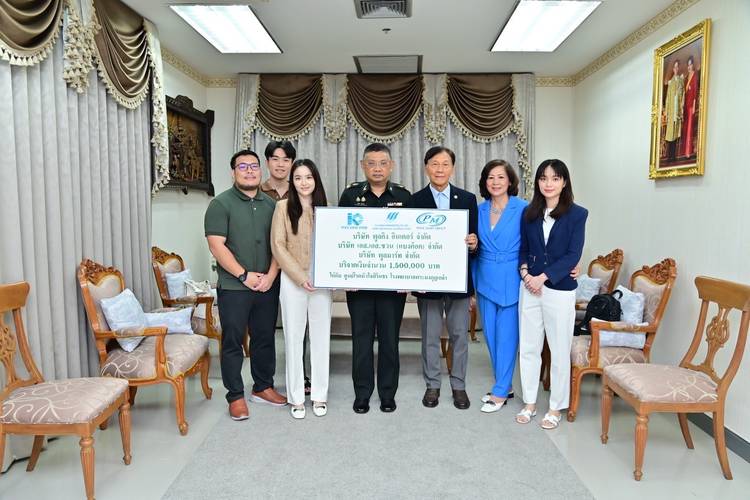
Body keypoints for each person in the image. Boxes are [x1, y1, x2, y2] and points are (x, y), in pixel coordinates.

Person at [205, 149, 287, 421]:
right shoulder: (220, 204)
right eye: (243, 166)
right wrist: (243, 275)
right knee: (233, 341)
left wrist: (271, 276)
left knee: (265, 337)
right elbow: (217, 246)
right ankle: (235, 396)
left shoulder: (272, 206)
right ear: (233, 172)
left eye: (254, 166)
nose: (249, 171)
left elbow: (279, 245)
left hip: (266, 284)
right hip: (234, 286)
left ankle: (263, 387)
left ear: (261, 171)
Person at [338, 143, 411, 414]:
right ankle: (362, 393)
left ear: (391, 166)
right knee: (362, 340)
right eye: (371, 163)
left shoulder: (404, 196)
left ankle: (388, 394)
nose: (377, 168)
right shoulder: (350, 195)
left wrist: (408, 277)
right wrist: (345, 274)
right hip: (359, 285)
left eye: (383, 163)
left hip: (393, 286)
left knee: (390, 341)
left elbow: (412, 239)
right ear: (362, 166)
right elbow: (340, 235)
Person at [516, 159, 587, 430]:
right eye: (543, 178)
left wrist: (542, 278)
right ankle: (530, 402)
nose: (549, 183)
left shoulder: (577, 214)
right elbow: (523, 250)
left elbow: (573, 255)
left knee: (559, 349)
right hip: (529, 288)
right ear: (537, 182)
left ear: (564, 182)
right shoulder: (529, 213)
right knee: (529, 347)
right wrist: (526, 275)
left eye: (555, 178)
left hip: (559, 289)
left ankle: (555, 407)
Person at [410, 146, 478, 410]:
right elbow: (410, 241)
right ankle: (433, 385)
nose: (440, 169)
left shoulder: (467, 199)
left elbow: (476, 242)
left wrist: (473, 243)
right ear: (426, 167)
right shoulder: (415, 200)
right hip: (428, 280)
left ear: (453, 168)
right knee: (430, 335)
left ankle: (459, 385)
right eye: (435, 164)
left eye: (445, 164)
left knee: (460, 334)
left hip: (458, 279)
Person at [271, 159, 331, 420]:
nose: (303, 182)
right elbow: (278, 246)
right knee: (294, 338)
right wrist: (299, 276)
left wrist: (323, 276)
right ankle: (296, 397)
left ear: (315, 180)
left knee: (321, 338)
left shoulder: (326, 210)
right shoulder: (282, 207)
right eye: (298, 178)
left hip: (321, 282)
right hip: (292, 281)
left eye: (308, 177)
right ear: (292, 182)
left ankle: (319, 395)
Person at [472, 160, 526, 413]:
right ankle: (505, 384)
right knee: (491, 337)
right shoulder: (479, 210)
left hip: (511, 278)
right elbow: (473, 246)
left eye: (501, 177)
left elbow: (537, 242)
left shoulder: (523, 208)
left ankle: (500, 391)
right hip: (484, 277)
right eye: (490, 177)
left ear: (510, 181)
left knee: (507, 336)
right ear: (485, 182)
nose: (495, 182)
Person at [260, 140, 313, 396]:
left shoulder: (302, 190)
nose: (281, 164)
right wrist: (270, 274)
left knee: (299, 328)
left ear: (292, 164)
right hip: (266, 271)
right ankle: (265, 383)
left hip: (297, 273)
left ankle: (300, 377)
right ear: (267, 162)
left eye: (286, 160)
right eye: (275, 159)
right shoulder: (257, 191)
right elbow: (275, 242)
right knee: (265, 328)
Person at [663, 59, 685, 162]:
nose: (676, 69)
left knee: (675, 134)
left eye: (677, 67)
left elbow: (683, 95)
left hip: (677, 111)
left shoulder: (681, 81)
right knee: (670, 134)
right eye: (674, 67)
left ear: (678, 68)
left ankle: (673, 156)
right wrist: (666, 112)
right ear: (673, 69)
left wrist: (681, 109)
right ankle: (669, 156)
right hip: (671, 111)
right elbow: (667, 98)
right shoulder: (670, 82)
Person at [680, 55, 699, 159]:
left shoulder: (694, 75)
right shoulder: (686, 77)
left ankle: (688, 151)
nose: (689, 67)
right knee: (685, 128)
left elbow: (695, 91)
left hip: (691, 105)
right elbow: (684, 92)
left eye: (690, 64)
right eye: (688, 65)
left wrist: (694, 106)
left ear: (693, 65)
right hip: (686, 106)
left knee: (690, 128)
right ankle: (684, 151)